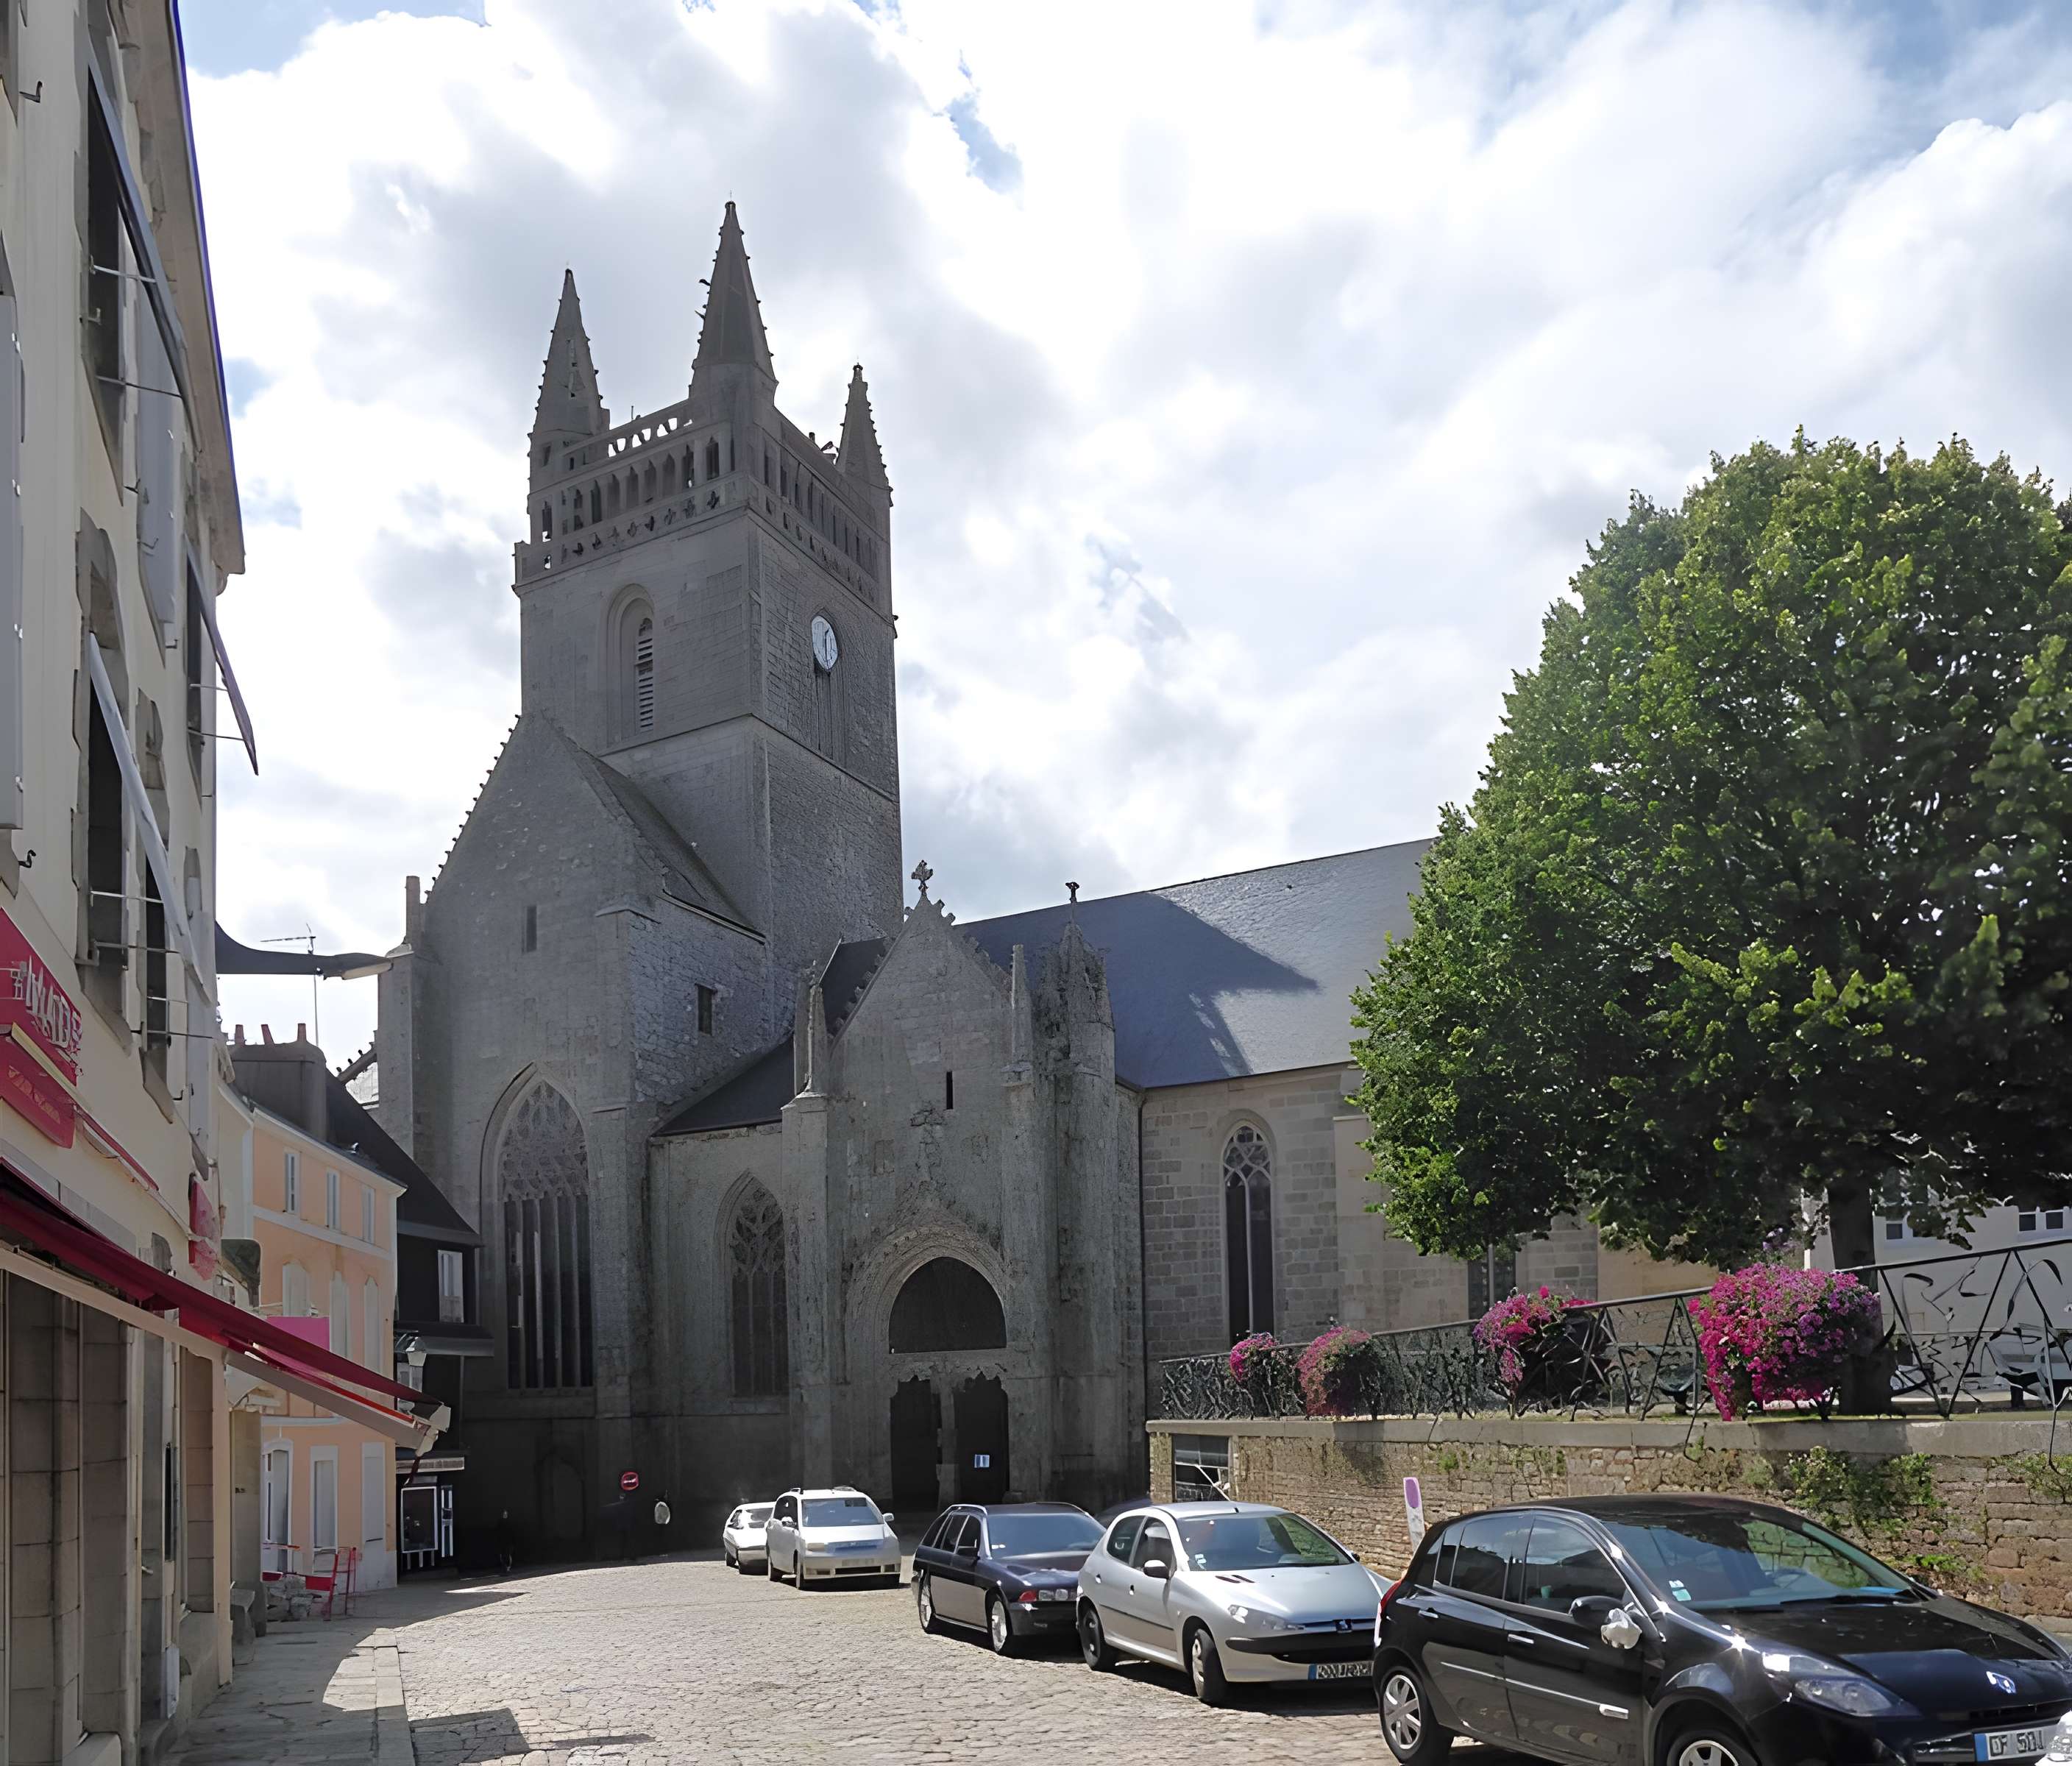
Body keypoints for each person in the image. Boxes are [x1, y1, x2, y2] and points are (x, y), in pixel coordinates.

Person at [493, 1509, 516, 1575]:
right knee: (502, 1556)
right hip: (502, 1542)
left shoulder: (510, 1522)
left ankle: (508, 1568)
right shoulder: (499, 1523)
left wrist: (512, 1541)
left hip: (509, 1542)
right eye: (504, 1514)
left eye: (506, 1514)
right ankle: (505, 1567)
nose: (505, 1515)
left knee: (508, 1555)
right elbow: (497, 1532)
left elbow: (512, 1532)